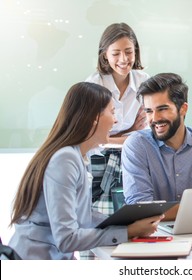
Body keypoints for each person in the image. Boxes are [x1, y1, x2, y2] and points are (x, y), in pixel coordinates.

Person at [7, 82, 163, 260]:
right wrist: (127, 231)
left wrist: (127, 223)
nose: (116, 120)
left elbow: (83, 216)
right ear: (94, 117)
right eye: (112, 112)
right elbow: (67, 239)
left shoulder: (78, 156)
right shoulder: (64, 159)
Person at [122, 73, 192, 219]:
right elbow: (140, 209)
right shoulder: (137, 145)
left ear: (183, 109)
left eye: (162, 109)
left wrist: (161, 210)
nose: (155, 118)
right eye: (149, 111)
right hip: (153, 235)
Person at [85, 22, 149, 215]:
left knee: (127, 212)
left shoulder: (143, 81)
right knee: (96, 216)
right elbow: (88, 137)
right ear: (105, 54)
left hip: (128, 157)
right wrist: (128, 135)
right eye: (116, 53)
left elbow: (144, 134)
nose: (124, 59)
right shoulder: (94, 84)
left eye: (129, 51)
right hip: (95, 159)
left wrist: (113, 136)